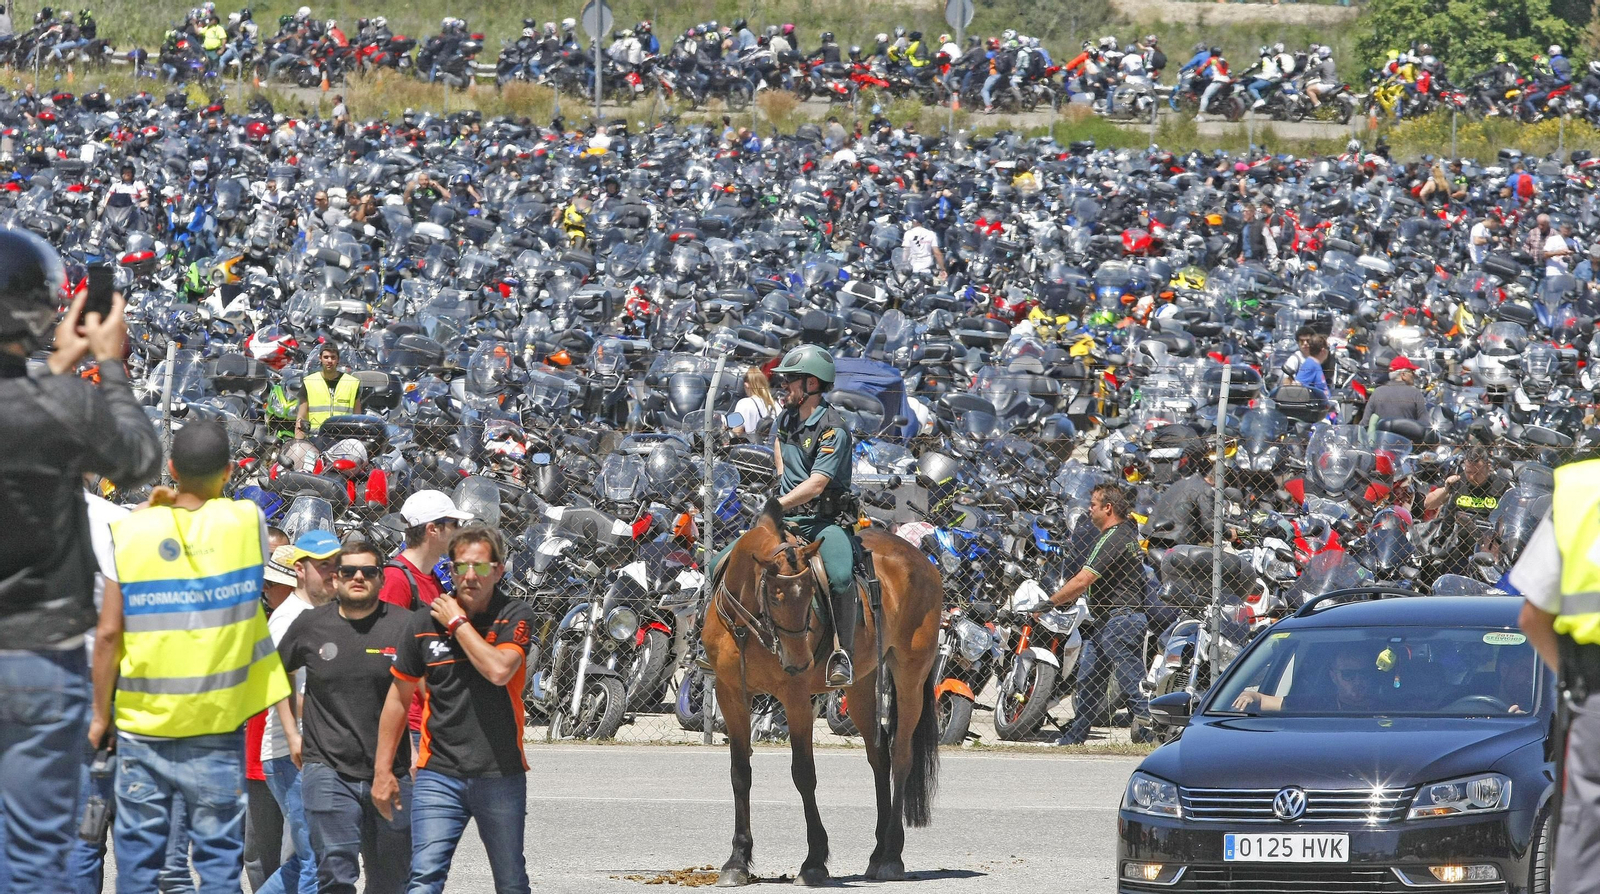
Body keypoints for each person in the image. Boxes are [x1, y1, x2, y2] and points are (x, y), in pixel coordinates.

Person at [0, 229, 161, 892]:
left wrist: (58, 365)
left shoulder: (52, 397)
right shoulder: (64, 405)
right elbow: (139, 459)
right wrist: (109, 363)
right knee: (37, 855)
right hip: (41, 652)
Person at [91, 421, 292, 892]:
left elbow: (107, 635)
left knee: (141, 862)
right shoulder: (247, 522)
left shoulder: (134, 529)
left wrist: (101, 718)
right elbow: (224, 518)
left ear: (173, 468)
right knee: (219, 863)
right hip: (215, 726)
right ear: (227, 472)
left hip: (143, 729)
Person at [372, 527, 535, 894]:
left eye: (480, 566)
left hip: (500, 772)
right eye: (461, 567)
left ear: (499, 569)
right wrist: (383, 770)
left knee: (510, 880)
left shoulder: (514, 614)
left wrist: (457, 624)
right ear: (450, 569)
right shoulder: (423, 623)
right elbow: (398, 699)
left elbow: (498, 670)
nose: (470, 577)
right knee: (424, 877)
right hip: (438, 773)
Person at [279, 537, 413, 894]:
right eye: (348, 571)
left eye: (368, 571)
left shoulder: (406, 626)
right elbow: (275, 673)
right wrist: (293, 732)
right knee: (335, 875)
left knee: (392, 881)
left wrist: (420, 750)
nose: (358, 577)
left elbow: (434, 690)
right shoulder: (310, 625)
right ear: (335, 579)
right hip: (327, 768)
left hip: (393, 769)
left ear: (381, 578)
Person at [1513, 456, 1600, 894]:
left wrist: (1574, 686)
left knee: (1586, 853)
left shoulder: (1580, 489)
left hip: (1595, 698)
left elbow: (1532, 617)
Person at [768, 344, 858, 687]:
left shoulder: (834, 428)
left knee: (838, 575)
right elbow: (779, 444)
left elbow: (818, 484)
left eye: (791, 380)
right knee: (724, 562)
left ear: (812, 385)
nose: (784, 387)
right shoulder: (787, 417)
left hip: (824, 523)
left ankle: (842, 654)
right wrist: (780, 481)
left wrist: (779, 504)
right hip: (784, 519)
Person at [261, 530, 344, 894]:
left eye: (335, 565)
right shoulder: (287, 619)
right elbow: (277, 687)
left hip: (317, 752)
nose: (332, 572)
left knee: (310, 858)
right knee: (318, 859)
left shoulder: (323, 613)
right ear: (299, 569)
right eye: (322, 565)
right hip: (290, 754)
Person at [1049, 483, 1151, 745]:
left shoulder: (1114, 538)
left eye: (1093, 504)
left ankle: (1155, 731)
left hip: (1121, 620)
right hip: (1107, 621)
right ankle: (1075, 735)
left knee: (1131, 681)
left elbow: (1084, 580)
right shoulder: (1125, 533)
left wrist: (1050, 603)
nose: (1089, 509)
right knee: (1090, 679)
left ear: (1108, 508)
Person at [1422, 446, 1508, 575]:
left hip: (1489, 548)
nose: (1472, 477)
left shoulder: (1501, 486)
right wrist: (1446, 489)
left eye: (1477, 473)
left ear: (1488, 466)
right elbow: (1428, 504)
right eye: (1469, 472)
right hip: (1457, 548)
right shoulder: (1458, 482)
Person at [1230, 644, 1385, 713]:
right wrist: (1249, 696)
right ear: (1333, 676)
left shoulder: (1390, 708)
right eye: (1348, 675)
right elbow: (1266, 701)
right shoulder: (1315, 705)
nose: (1357, 681)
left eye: (1363, 674)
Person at [295, 344, 361, 436]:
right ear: (320, 358)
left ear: (338, 359)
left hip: (343, 438)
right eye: (326, 357)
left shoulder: (352, 383)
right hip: (316, 438)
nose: (329, 361)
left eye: (333, 357)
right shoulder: (309, 382)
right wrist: (298, 444)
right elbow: (301, 418)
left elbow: (357, 418)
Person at [1362, 356, 1428, 427]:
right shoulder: (1415, 393)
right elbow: (1425, 423)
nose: (1414, 375)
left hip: (1382, 437)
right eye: (1411, 372)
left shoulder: (1377, 392)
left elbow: (1365, 423)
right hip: (1407, 437)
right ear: (1403, 374)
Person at [731, 366, 777, 441]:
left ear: (746, 385)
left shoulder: (743, 403)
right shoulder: (775, 404)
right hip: (772, 448)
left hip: (750, 448)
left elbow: (737, 430)